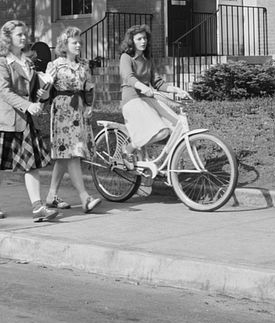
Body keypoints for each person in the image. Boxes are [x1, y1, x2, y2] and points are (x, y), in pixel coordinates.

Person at [0, 19, 59, 222]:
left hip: (25, 122)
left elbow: (38, 94)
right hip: (5, 122)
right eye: (19, 35)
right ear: (8, 38)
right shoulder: (1, 62)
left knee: (31, 165)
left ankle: (37, 207)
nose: (24, 38)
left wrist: (47, 84)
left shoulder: (28, 62)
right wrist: (28, 105)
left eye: (25, 34)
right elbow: (5, 91)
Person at [43, 27, 101, 213]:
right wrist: (43, 89)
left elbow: (89, 87)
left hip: (79, 110)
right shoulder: (55, 65)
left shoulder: (84, 64)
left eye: (79, 42)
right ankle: (85, 198)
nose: (78, 45)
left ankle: (51, 196)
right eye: (74, 42)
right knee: (72, 153)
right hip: (62, 110)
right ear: (64, 45)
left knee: (64, 156)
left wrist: (90, 106)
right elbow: (45, 89)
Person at [118, 24, 189, 162]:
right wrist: (141, 86)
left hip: (147, 98)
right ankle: (130, 148)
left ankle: (166, 166)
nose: (143, 41)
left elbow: (157, 83)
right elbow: (128, 77)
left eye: (144, 38)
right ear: (132, 41)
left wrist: (176, 90)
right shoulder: (126, 57)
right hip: (132, 100)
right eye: (139, 39)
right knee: (162, 131)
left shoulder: (147, 59)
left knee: (178, 127)